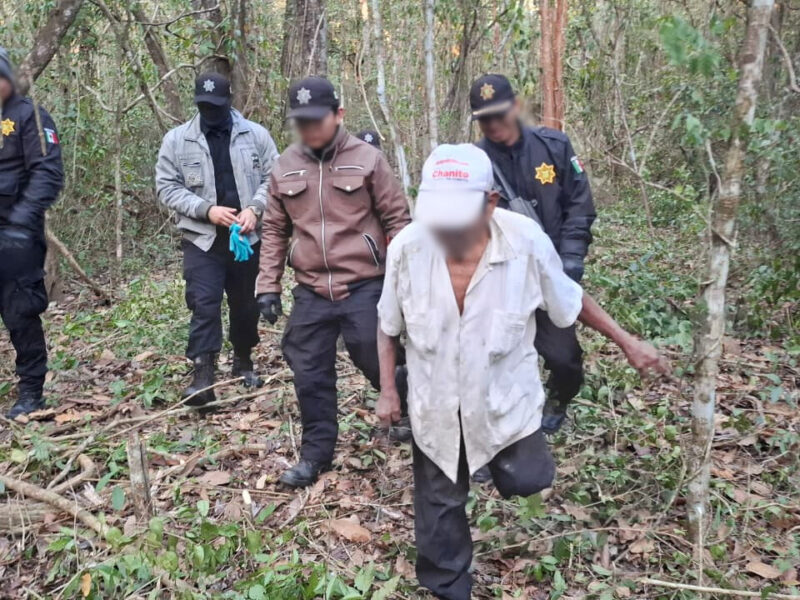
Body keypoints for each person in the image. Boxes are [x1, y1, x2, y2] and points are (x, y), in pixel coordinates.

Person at [376, 144, 668, 600]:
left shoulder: (525, 242)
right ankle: (449, 585)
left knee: (528, 478)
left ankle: (492, 458)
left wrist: (628, 341)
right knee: (440, 502)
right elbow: (387, 323)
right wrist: (388, 393)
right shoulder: (408, 248)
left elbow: (570, 299)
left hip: (504, 400)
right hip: (435, 403)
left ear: (490, 203)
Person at [256, 76, 410, 488]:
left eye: (317, 120)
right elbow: (274, 229)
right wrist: (267, 285)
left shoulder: (368, 159)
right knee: (308, 373)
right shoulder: (285, 165)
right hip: (311, 290)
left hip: (364, 284)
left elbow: (398, 220)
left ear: (339, 115)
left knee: (377, 360)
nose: (310, 129)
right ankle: (315, 455)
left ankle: (409, 409)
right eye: (301, 122)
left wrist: (401, 281)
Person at [471, 73, 596, 433]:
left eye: (499, 114)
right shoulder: (475, 162)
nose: (493, 124)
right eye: (484, 118)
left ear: (515, 107)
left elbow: (579, 205)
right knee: (495, 359)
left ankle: (559, 396)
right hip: (501, 278)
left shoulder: (553, 147)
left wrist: (571, 257)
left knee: (565, 358)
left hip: (551, 272)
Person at [155, 72, 278, 409]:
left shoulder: (255, 136)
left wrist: (255, 208)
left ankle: (243, 361)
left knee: (245, 305)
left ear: (229, 101)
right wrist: (205, 210)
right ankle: (203, 375)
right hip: (203, 239)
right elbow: (166, 186)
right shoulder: (178, 140)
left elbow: (275, 177)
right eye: (204, 106)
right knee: (203, 303)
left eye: (216, 106)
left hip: (246, 237)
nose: (211, 112)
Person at [0, 47, 64, 419]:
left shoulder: (31, 117)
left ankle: (30, 390)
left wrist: (22, 223)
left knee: (20, 311)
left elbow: (48, 172)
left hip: (17, 236)